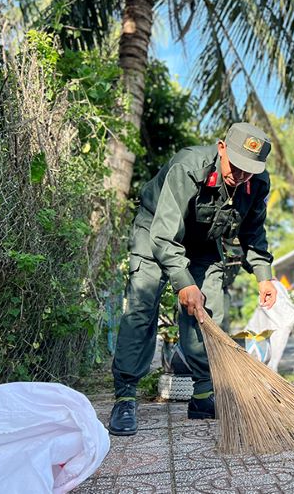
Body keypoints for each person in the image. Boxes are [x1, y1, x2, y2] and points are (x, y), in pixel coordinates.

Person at [108, 122, 278, 436]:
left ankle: (203, 396)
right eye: (237, 167)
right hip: (155, 233)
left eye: (249, 171)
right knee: (142, 308)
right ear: (222, 148)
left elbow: (253, 231)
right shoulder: (189, 167)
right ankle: (126, 397)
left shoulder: (257, 183)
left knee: (210, 310)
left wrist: (263, 275)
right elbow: (164, 236)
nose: (241, 177)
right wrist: (184, 283)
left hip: (203, 243)